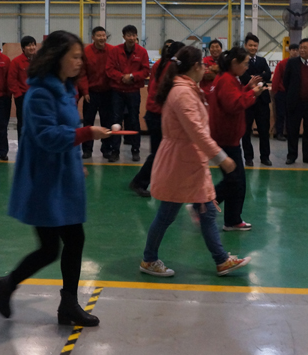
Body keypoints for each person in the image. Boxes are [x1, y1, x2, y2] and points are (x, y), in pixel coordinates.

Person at [0, 30, 110, 327]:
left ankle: (62, 302)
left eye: (81, 57)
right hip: (43, 181)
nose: (80, 62)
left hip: (60, 177)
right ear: (57, 57)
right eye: (75, 57)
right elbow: (47, 136)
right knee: (53, 247)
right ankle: (13, 286)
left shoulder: (65, 89)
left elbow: (64, 133)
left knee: (68, 242)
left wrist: (74, 162)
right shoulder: (40, 93)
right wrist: (87, 133)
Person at [139, 46, 252, 278]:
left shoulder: (188, 89)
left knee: (207, 211)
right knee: (167, 214)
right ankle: (149, 259)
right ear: (195, 66)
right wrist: (221, 157)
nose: (206, 69)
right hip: (180, 163)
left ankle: (221, 260)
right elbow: (196, 131)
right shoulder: (182, 93)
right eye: (203, 65)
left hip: (189, 161)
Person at [208, 46, 263, 231]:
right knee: (234, 181)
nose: (247, 68)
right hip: (226, 138)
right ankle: (204, 205)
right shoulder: (226, 80)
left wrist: (246, 88)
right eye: (245, 64)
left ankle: (232, 219)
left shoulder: (228, 78)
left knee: (236, 181)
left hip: (227, 137)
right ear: (234, 62)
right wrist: (252, 93)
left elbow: (233, 96)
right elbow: (233, 104)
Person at [129, 41, 185, 197]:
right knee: (159, 153)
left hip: (155, 113)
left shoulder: (163, 64)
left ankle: (160, 181)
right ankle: (139, 182)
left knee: (162, 152)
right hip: (158, 115)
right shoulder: (171, 69)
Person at [105, 25, 150, 163]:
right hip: (117, 92)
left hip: (133, 92)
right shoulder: (115, 51)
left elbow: (146, 71)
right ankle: (115, 151)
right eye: (128, 35)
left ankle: (135, 150)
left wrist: (132, 76)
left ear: (136, 36)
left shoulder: (142, 52)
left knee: (134, 120)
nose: (131, 38)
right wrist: (121, 77)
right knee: (115, 121)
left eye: (133, 35)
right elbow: (109, 69)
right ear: (123, 36)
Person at [80, 26, 114, 160]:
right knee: (88, 122)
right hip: (91, 93)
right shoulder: (86, 52)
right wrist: (85, 91)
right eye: (99, 36)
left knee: (107, 122)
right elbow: (82, 73)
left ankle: (107, 149)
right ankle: (87, 149)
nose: (102, 38)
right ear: (93, 37)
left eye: (103, 35)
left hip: (107, 93)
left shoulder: (112, 51)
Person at [240, 33, 272, 166]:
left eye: (255, 45)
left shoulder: (262, 60)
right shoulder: (242, 61)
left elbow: (268, 74)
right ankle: (248, 157)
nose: (253, 47)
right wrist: (259, 76)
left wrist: (255, 77)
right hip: (247, 100)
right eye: (250, 45)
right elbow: (244, 77)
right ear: (245, 46)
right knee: (246, 131)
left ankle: (265, 157)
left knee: (264, 130)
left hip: (262, 101)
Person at [8, 35, 37, 137]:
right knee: (23, 122)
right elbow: (12, 80)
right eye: (29, 45)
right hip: (23, 96)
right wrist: (18, 95)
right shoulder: (16, 62)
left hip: (37, 96)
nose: (32, 47)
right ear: (23, 48)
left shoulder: (39, 60)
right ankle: (22, 144)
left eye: (33, 45)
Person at [271, 43, 300, 142]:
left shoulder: (300, 64)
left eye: (296, 50)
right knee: (281, 114)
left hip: (294, 94)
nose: (295, 52)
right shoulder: (282, 64)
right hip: (282, 93)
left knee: (291, 115)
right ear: (289, 51)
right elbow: (276, 78)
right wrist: (275, 90)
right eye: (293, 50)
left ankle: (290, 133)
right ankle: (279, 133)